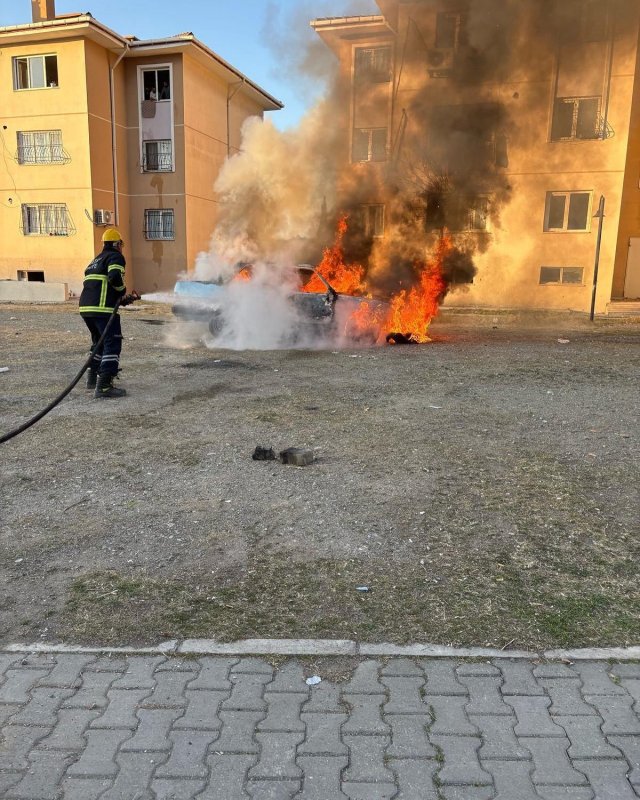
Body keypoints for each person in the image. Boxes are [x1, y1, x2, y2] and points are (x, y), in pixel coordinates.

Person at [79, 228, 130, 398]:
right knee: (112, 343)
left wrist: (120, 298)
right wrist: (122, 290)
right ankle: (104, 386)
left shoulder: (96, 260)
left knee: (99, 344)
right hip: (102, 309)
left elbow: (102, 285)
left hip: (87, 309)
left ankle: (92, 379)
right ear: (117, 244)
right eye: (120, 245)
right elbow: (115, 277)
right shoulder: (115, 256)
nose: (121, 248)